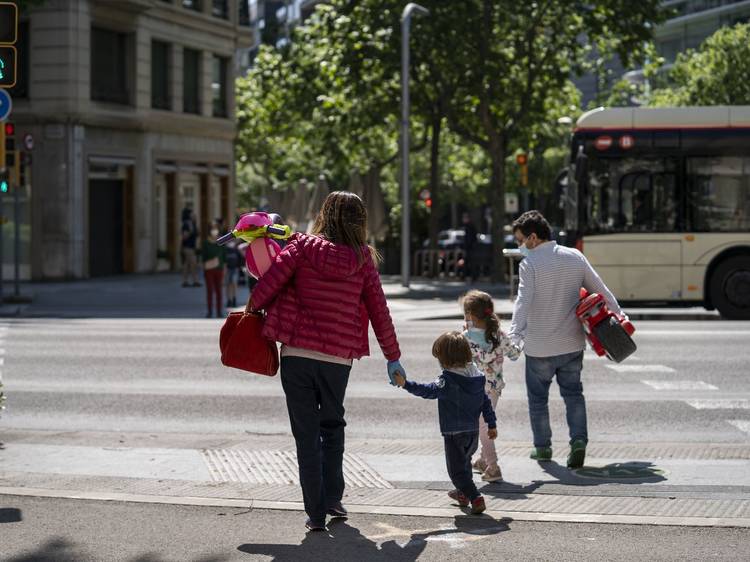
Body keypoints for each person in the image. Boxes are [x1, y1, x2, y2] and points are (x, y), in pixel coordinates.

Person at [247, 191, 403, 532]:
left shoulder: (301, 248)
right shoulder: (363, 260)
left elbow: (263, 291)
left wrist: (252, 308)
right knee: (333, 425)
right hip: (338, 359)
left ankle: (315, 514)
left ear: (324, 215)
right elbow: (380, 313)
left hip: (297, 356)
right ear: (359, 222)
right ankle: (334, 497)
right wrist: (393, 357)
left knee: (306, 435)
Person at [508, 210, 625, 468]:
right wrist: (619, 315)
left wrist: (515, 334)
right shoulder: (575, 256)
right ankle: (578, 443)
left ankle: (542, 448)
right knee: (574, 395)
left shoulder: (529, 264)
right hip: (572, 344)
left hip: (539, 347)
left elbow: (523, 301)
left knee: (538, 400)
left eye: (520, 240)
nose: (519, 246)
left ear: (533, 237)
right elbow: (600, 289)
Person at [393, 332, 496, 515]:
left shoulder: (447, 380)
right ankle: (463, 494)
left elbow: (427, 391)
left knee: (457, 471)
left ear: (445, 360)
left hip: (453, 433)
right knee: (465, 464)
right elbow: (485, 402)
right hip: (472, 432)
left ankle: (475, 497)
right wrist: (491, 424)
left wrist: (405, 384)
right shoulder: (477, 377)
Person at [460, 290, 520, 482]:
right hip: (494, 388)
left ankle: (493, 467)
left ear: (469, 315)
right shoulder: (498, 335)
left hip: (474, 388)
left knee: (483, 426)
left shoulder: (465, 338)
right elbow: (515, 354)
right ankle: (483, 460)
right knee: (485, 423)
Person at [201, 222, 226, 318]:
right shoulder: (206, 243)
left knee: (219, 291)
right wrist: (210, 261)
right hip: (209, 270)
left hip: (219, 269)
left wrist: (225, 269)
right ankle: (210, 312)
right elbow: (203, 258)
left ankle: (219, 312)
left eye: (216, 228)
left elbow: (224, 257)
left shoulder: (221, 242)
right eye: (212, 229)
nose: (214, 231)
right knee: (210, 291)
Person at [181, 208, 201, 288]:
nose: (194, 214)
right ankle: (195, 281)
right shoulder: (187, 224)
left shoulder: (192, 223)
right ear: (189, 214)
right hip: (188, 246)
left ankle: (185, 281)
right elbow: (184, 236)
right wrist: (191, 231)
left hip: (190, 246)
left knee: (187, 264)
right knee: (193, 263)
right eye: (192, 213)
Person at [224, 239, 242, 309]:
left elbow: (240, 257)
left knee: (234, 284)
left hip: (235, 267)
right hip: (228, 268)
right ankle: (229, 300)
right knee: (228, 284)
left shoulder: (237, 246)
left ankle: (234, 299)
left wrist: (239, 266)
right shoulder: (225, 246)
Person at [461, 212, 478, 282]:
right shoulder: (470, 226)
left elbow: (469, 239)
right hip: (471, 248)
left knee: (469, 263)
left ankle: (467, 276)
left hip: (469, 248)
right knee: (469, 263)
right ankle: (468, 276)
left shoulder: (468, 227)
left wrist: (466, 247)